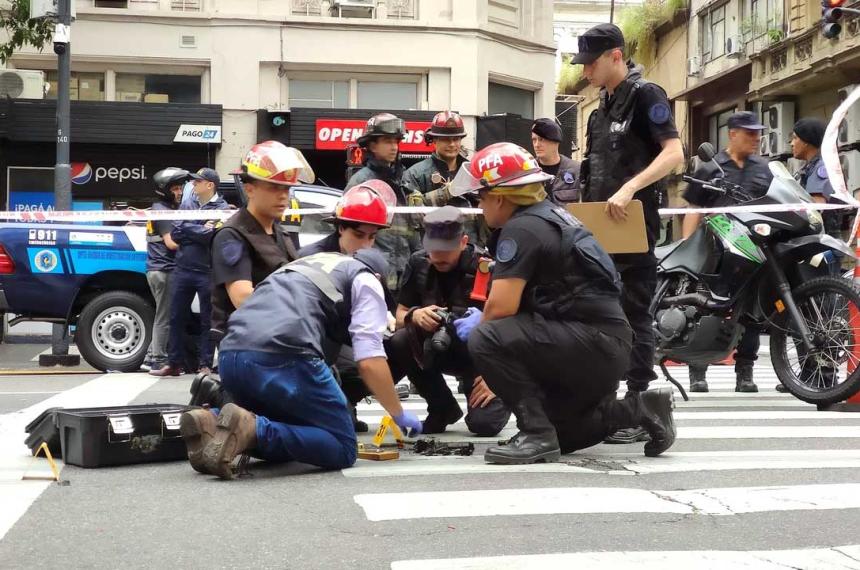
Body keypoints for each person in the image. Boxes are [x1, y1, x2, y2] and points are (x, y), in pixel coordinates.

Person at [448, 142, 676, 464]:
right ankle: (639, 409)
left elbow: (501, 309)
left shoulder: (521, 229)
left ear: (499, 196)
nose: (480, 206)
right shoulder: (553, 216)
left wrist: (486, 365)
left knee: (485, 336)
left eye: (481, 197)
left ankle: (535, 433)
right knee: (567, 435)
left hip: (589, 342)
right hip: (601, 345)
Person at [178, 248, 422, 479]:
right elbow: (369, 359)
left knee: (290, 427)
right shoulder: (366, 279)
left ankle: (214, 421)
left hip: (232, 355)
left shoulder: (301, 267)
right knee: (343, 446)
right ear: (378, 276)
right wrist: (397, 413)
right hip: (284, 356)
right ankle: (253, 430)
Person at [574, 23, 685, 444]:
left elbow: (674, 153)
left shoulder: (646, 95)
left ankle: (640, 406)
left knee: (635, 312)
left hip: (634, 224)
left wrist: (631, 186)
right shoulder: (600, 107)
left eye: (591, 62)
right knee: (601, 313)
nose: (585, 71)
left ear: (615, 56)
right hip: (599, 229)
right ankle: (606, 401)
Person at [387, 206, 512, 435]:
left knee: (485, 424)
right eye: (433, 249)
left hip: (482, 358)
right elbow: (399, 316)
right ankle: (442, 407)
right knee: (400, 340)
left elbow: (511, 326)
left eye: (446, 249)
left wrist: (498, 377)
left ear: (463, 241)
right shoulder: (418, 263)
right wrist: (415, 315)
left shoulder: (485, 267)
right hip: (437, 347)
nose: (438, 256)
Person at [682, 111, 773, 393]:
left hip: (753, 251)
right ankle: (698, 370)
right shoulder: (710, 167)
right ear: (732, 134)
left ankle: (744, 372)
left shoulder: (764, 168)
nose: (756, 138)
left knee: (752, 315)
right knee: (705, 309)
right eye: (750, 133)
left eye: (758, 133)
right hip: (715, 251)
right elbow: (693, 210)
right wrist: (688, 248)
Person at [297, 181, 396, 432]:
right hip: (316, 340)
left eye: (372, 237)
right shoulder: (309, 258)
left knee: (399, 346)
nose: (365, 245)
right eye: (359, 235)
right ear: (341, 228)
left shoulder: (371, 263)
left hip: (352, 338)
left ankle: (347, 402)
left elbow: (390, 311)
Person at [150, 168, 227, 377]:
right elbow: (176, 232)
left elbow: (213, 235)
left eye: (197, 182)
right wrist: (201, 229)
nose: (192, 185)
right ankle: (173, 363)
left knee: (207, 320)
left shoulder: (222, 207)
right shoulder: (187, 203)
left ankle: (205, 364)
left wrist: (191, 229)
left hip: (206, 271)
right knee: (176, 317)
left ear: (209, 185)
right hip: (182, 269)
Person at [346, 112, 422, 293]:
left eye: (396, 141)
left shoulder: (403, 182)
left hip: (404, 275)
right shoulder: (361, 183)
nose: (394, 147)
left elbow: (412, 229)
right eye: (388, 141)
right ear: (372, 145)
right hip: (373, 275)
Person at [403, 111, 486, 246]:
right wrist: (447, 192)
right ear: (434, 140)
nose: (452, 144)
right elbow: (414, 216)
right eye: (446, 139)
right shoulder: (415, 174)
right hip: (436, 249)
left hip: (471, 248)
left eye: (456, 139)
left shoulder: (474, 171)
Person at [143, 168, 188, 372]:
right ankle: (158, 359)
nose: (180, 192)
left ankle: (151, 355)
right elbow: (170, 243)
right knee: (165, 317)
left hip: (157, 269)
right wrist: (195, 240)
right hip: (164, 270)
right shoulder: (163, 211)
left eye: (181, 188)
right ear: (165, 190)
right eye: (176, 188)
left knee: (162, 314)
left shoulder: (161, 208)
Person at [791, 118, 842, 239]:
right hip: (817, 239)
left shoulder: (822, 167)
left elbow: (816, 208)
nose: (791, 143)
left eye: (795, 138)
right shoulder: (810, 166)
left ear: (806, 142)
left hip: (824, 242)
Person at [530, 117, 581, 204]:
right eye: (534, 140)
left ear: (555, 141)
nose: (536, 145)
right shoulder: (528, 172)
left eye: (541, 139)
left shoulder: (577, 170)